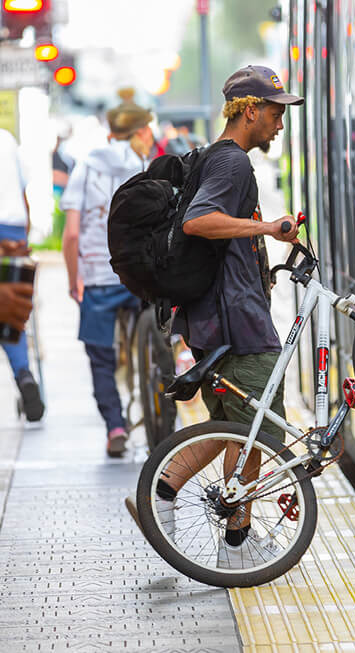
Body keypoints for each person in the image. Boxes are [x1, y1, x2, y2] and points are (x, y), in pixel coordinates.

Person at [125, 65, 303, 568]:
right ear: (249, 111)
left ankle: (158, 502)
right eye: (273, 112)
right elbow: (199, 220)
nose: (279, 124)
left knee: (226, 425)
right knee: (258, 431)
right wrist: (267, 227)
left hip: (213, 315)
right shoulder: (232, 165)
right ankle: (236, 545)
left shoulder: (212, 157)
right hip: (236, 319)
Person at [61, 90, 154, 456]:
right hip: (138, 277)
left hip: (98, 278)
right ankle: (158, 401)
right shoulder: (143, 168)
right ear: (138, 132)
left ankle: (115, 425)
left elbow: (71, 233)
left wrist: (74, 280)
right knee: (155, 335)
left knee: (101, 357)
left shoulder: (85, 167)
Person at [0, 128, 45, 421]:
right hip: (13, 228)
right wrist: (23, 237)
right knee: (11, 314)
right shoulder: (6, 138)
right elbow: (22, 191)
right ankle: (24, 374)